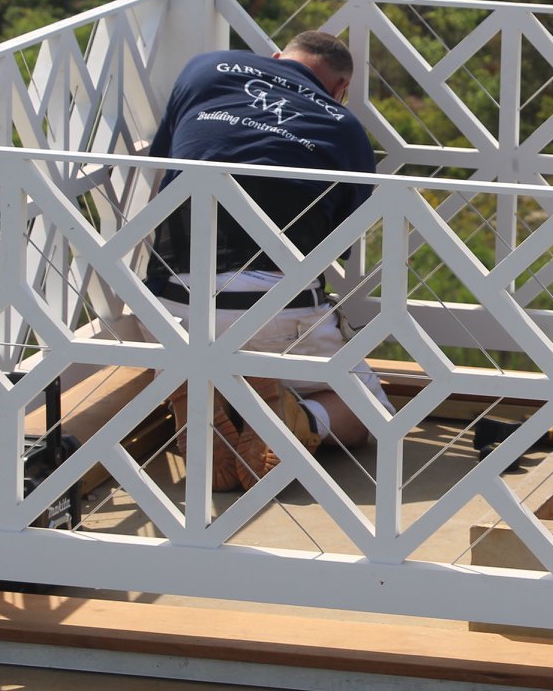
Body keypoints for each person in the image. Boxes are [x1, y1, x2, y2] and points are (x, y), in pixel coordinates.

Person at [145, 30, 391, 488]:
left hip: (171, 305)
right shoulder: (344, 126)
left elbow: (165, 162)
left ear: (278, 57)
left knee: (215, 351)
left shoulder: (206, 67)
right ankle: (294, 420)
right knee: (371, 411)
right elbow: (338, 244)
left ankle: (195, 399)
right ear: (340, 89)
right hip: (272, 304)